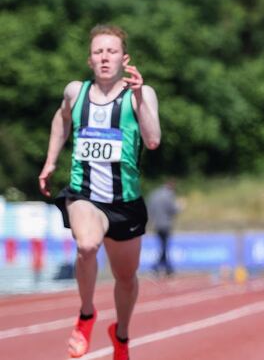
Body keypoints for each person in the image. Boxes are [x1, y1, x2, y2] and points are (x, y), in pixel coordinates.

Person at [38, 24, 161, 360]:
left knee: (125, 278)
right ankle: (87, 315)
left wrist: (137, 97)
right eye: (98, 52)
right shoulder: (75, 92)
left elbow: (152, 140)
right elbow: (61, 120)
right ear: (90, 60)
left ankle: (121, 336)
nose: (104, 57)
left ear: (124, 58)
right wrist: (50, 161)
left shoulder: (142, 93)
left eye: (111, 51)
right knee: (87, 245)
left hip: (126, 202)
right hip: (84, 195)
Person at [146, 179, 181, 276]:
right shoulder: (169, 195)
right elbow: (172, 210)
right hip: (166, 224)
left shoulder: (154, 194)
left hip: (156, 224)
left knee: (163, 246)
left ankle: (168, 268)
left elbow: (149, 210)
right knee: (164, 247)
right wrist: (179, 207)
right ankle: (156, 267)